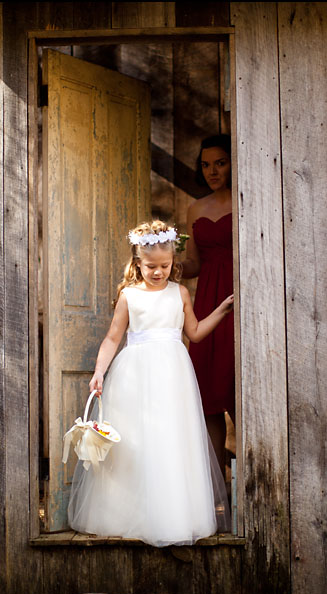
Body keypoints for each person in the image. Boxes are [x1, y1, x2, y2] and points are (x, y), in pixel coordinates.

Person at [68, 220, 233, 547]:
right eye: (151, 266)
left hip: (173, 375)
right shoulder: (129, 296)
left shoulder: (180, 292)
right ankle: (128, 514)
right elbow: (112, 339)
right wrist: (99, 372)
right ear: (138, 262)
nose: (158, 272)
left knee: (171, 441)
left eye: (165, 266)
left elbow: (195, 332)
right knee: (138, 443)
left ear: (173, 263)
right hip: (135, 375)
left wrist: (222, 309)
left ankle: (175, 516)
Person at [180, 134, 234, 479]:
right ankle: (218, 490)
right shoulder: (195, 209)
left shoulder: (247, 200)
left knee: (238, 387)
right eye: (205, 165)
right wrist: (163, 266)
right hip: (206, 302)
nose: (212, 171)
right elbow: (194, 264)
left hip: (240, 297)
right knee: (208, 395)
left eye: (220, 162)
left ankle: (252, 484)